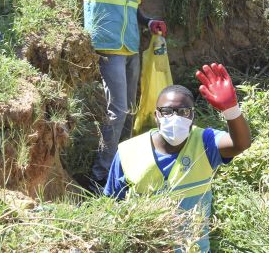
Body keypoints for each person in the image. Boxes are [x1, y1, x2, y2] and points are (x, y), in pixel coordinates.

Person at [53, 0, 166, 192]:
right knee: (117, 110)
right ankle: (99, 174)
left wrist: (148, 21)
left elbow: (134, 9)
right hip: (107, 47)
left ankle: (122, 165)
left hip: (131, 48)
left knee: (128, 110)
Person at [104, 64, 251, 252]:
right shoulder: (128, 151)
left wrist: (231, 110)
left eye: (183, 112)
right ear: (156, 116)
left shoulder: (204, 142)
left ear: (192, 116)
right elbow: (113, 206)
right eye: (167, 111)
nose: (175, 118)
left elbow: (240, 144)